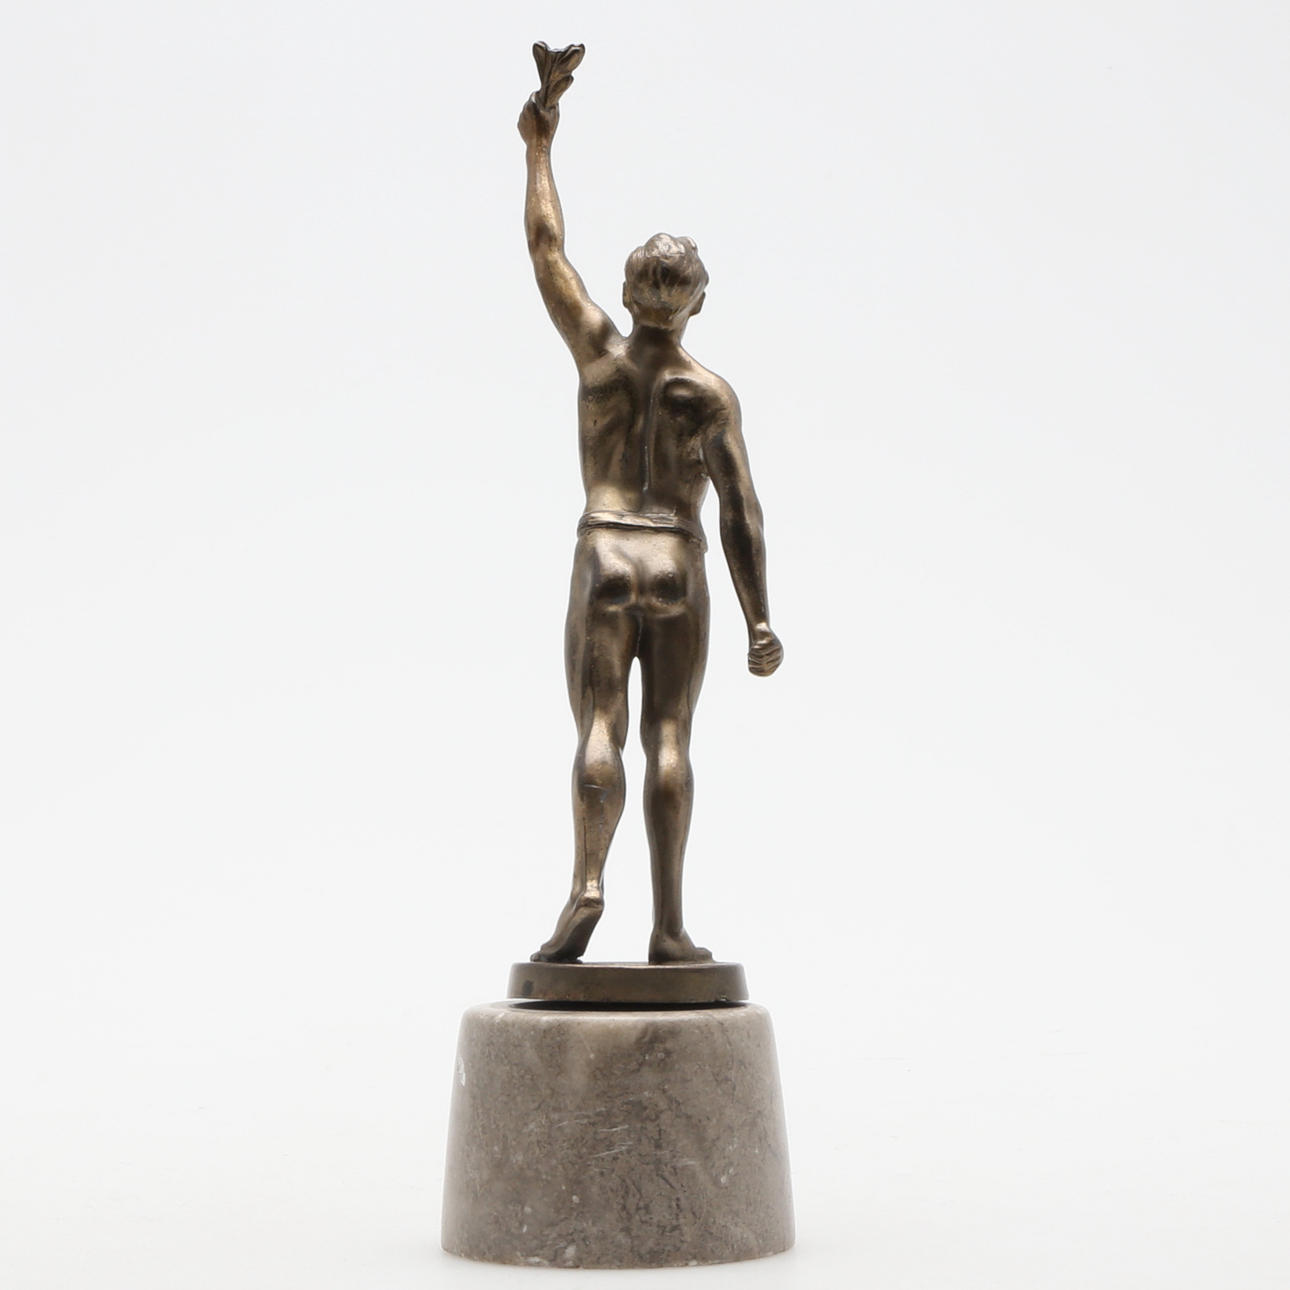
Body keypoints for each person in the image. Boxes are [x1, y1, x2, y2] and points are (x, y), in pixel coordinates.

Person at [519, 89, 783, 965]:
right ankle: (668, 928)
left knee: (599, 725)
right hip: (675, 555)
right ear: (697, 304)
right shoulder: (708, 395)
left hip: (604, 548)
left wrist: (539, 145)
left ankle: (588, 882)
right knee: (670, 735)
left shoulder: (597, 353)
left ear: (629, 292)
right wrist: (759, 617)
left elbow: (546, 248)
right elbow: (740, 509)